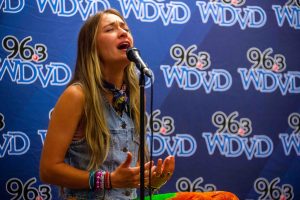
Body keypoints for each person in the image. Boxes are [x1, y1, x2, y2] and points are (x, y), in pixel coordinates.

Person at [39, 8, 175, 200]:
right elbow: (49, 170)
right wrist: (108, 180)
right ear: (92, 46)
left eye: (125, 28)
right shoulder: (77, 95)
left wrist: (150, 182)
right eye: (110, 29)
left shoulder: (134, 98)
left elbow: (128, 179)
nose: (122, 32)